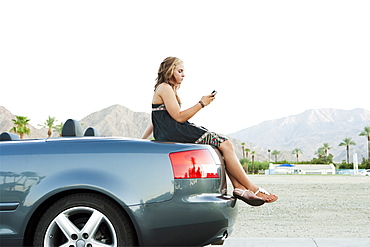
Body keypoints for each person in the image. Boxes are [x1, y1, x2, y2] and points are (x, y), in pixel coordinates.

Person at [142, 57, 277, 206]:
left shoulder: (166, 89)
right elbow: (178, 117)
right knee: (225, 144)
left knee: (221, 148)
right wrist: (202, 104)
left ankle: (239, 187)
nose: (183, 75)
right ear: (169, 71)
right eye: (179, 71)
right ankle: (252, 188)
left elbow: (157, 117)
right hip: (176, 130)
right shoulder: (165, 88)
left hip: (171, 130)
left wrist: (143, 139)